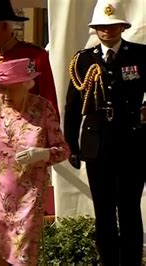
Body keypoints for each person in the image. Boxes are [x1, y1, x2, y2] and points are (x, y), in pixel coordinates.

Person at [64, 1, 146, 265]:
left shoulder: (141, 55)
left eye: (112, 26)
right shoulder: (83, 59)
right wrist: (71, 145)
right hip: (97, 146)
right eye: (101, 26)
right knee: (104, 212)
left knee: (130, 210)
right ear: (95, 29)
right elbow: (73, 106)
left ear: (123, 26)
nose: (107, 31)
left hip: (133, 144)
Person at [0, 58, 70, 266]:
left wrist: (41, 154)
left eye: (7, 88)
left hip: (29, 197)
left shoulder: (43, 108)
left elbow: (63, 151)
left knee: (23, 256)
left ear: (26, 84)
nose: (2, 94)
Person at [0, 0, 58, 170]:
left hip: (25, 139)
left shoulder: (34, 56)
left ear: (6, 27)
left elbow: (49, 100)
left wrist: (50, 142)